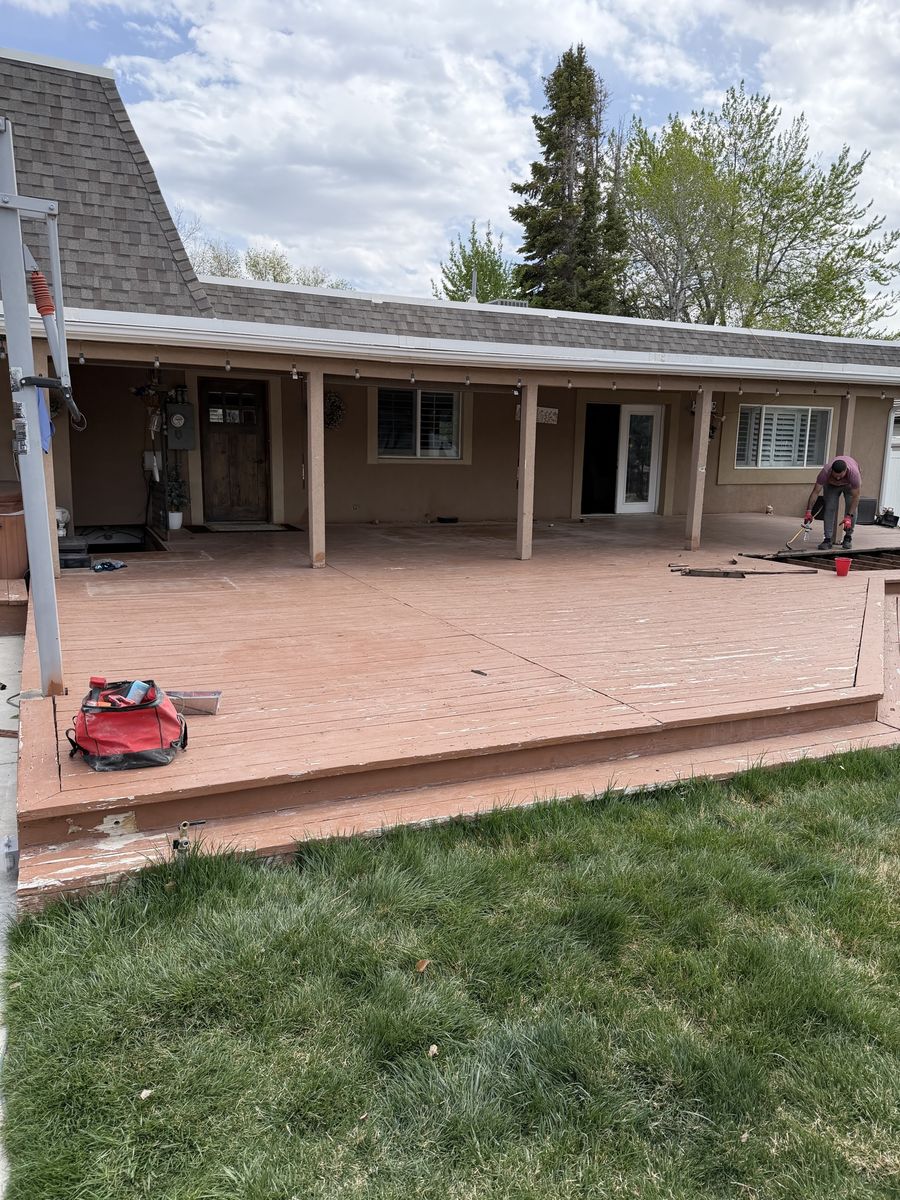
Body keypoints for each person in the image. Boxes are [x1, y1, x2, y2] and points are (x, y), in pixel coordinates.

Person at [804, 456, 861, 550]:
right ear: (831, 471)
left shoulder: (854, 474)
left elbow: (856, 497)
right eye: (835, 476)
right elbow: (815, 492)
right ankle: (827, 539)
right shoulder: (825, 472)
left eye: (840, 476)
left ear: (845, 471)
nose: (838, 478)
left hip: (849, 485)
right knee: (829, 507)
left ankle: (848, 537)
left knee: (851, 507)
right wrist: (808, 511)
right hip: (831, 485)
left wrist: (848, 517)